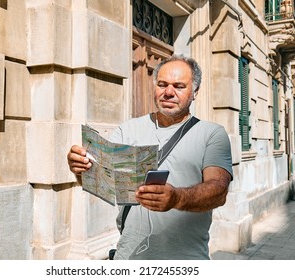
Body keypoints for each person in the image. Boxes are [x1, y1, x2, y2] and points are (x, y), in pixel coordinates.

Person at [67, 54, 233, 259]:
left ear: (195, 91)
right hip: (127, 256)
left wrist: (176, 198)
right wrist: (80, 168)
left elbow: (219, 190)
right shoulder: (127, 130)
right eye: (162, 84)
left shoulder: (212, 134)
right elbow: (104, 183)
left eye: (179, 86)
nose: (169, 92)